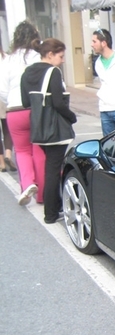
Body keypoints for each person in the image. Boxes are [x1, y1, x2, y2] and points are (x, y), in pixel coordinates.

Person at [21, 38, 77, 224]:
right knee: (53, 170)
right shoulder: (53, 72)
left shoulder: (28, 72)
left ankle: (55, 206)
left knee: (50, 168)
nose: (62, 60)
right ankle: (51, 212)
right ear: (51, 55)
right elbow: (58, 103)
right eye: (60, 56)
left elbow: (25, 102)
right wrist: (71, 117)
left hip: (38, 127)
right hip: (55, 129)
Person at [0, 20, 43, 205]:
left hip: (15, 110)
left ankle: (26, 184)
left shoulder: (8, 60)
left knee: (22, 151)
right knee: (38, 149)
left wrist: (11, 99)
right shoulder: (38, 57)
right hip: (35, 109)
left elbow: (1, 89)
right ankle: (43, 193)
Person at [0, 35, 16, 173]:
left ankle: (1, 163)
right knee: (7, 128)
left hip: (3, 93)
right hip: (5, 96)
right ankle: (8, 154)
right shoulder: (6, 58)